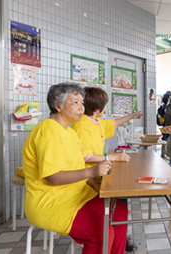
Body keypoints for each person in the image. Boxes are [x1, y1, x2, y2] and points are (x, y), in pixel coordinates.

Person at [23, 83, 128, 253]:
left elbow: (76, 166)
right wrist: (92, 171)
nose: (81, 108)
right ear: (58, 106)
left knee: (119, 210)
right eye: (75, 103)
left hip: (78, 194)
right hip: (53, 202)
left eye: (82, 103)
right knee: (101, 235)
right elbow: (53, 177)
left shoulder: (70, 132)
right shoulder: (48, 132)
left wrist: (96, 185)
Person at [71, 87, 143, 252]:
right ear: (98, 109)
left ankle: (119, 242)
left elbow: (114, 123)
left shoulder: (95, 121)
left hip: (98, 174)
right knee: (119, 199)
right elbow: (86, 156)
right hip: (87, 180)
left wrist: (131, 116)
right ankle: (117, 241)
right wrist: (111, 157)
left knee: (121, 200)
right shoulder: (82, 126)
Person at [159, 91, 171, 159]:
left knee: (165, 138)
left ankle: (165, 153)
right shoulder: (168, 106)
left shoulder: (163, 105)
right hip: (167, 124)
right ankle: (165, 153)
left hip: (164, 124)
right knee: (167, 139)